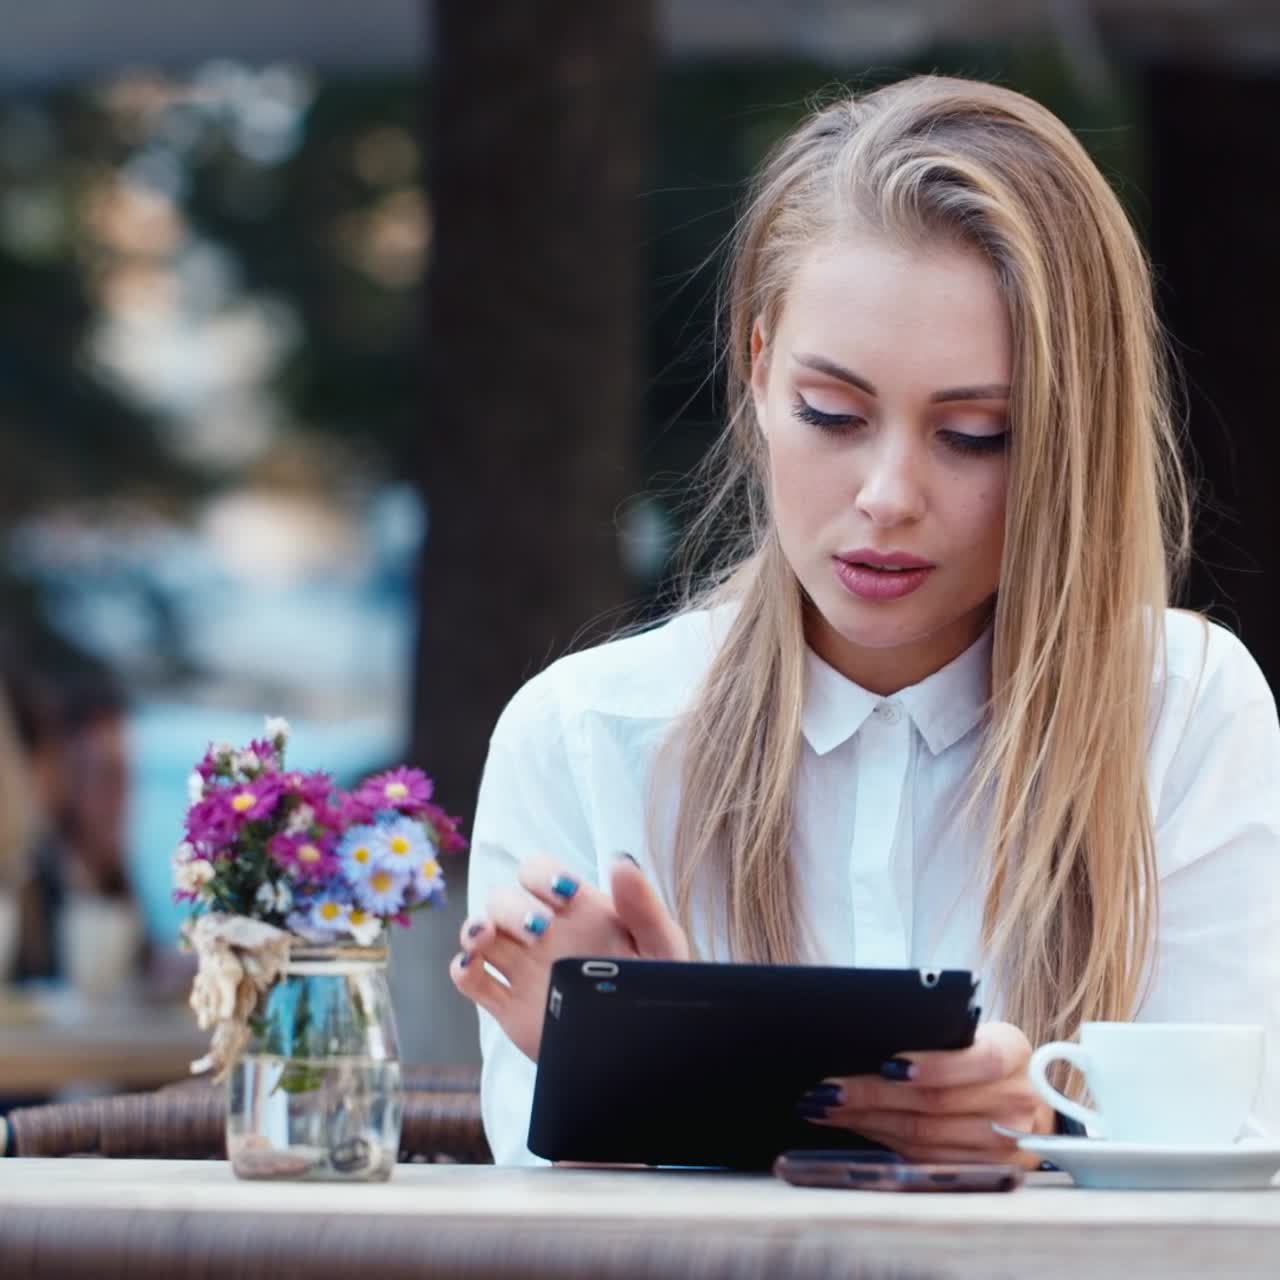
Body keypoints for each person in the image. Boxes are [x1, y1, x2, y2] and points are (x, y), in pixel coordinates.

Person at [448, 75, 1280, 1167]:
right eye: (831, 414)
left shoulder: (1179, 711)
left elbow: (1228, 1178)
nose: (887, 493)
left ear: (1067, 438)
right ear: (756, 373)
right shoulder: (583, 734)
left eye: (974, 432)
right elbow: (555, 1234)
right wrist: (630, 1082)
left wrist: (1043, 1140)